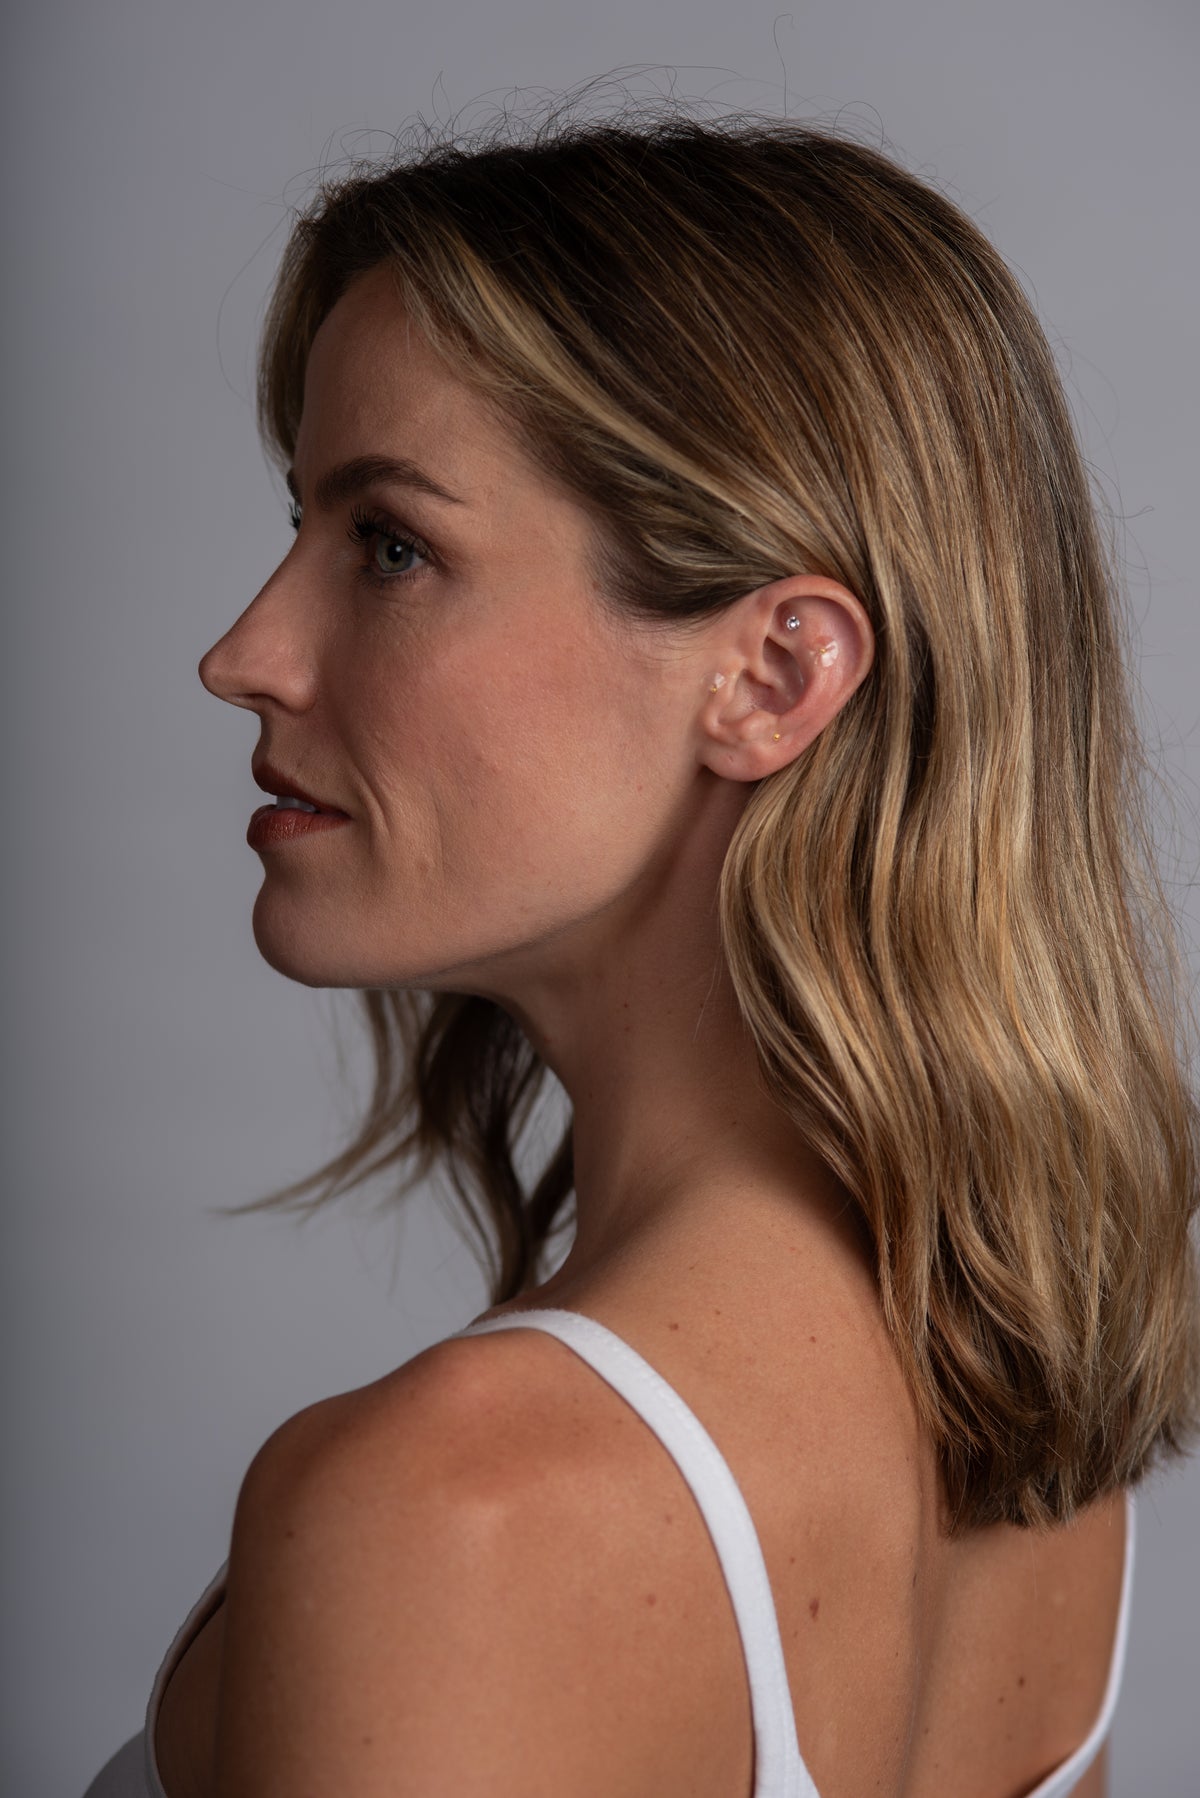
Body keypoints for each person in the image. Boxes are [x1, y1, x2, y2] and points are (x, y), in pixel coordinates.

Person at [85, 101, 1198, 1797]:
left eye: (390, 545)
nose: (246, 652)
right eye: (304, 521)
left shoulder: (451, 1514)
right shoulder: (1019, 1434)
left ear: (772, 675)